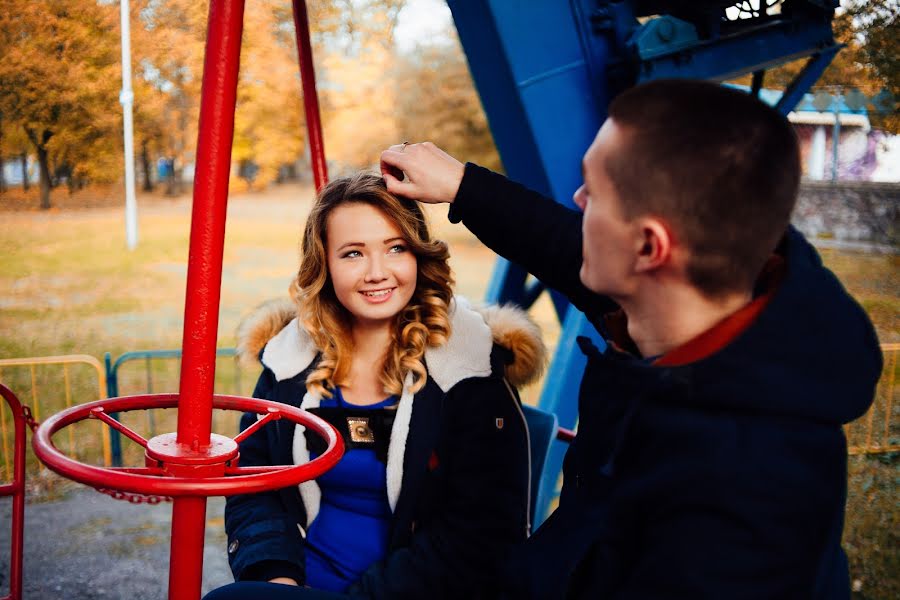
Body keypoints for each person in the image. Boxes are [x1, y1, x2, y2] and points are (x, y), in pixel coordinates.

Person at [379, 79, 883, 598]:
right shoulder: (716, 293)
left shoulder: (735, 510)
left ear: (648, 248)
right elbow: (563, 244)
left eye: (592, 194)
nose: (576, 203)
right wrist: (465, 185)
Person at [205, 172, 545, 600]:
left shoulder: (467, 370)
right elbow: (256, 485)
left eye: (395, 248)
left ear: (419, 256)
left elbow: (479, 531)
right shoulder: (289, 361)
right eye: (352, 254)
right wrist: (278, 579)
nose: (377, 273)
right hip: (297, 583)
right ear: (324, 264)